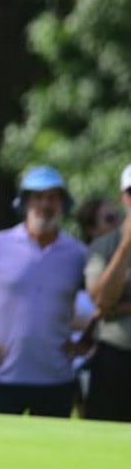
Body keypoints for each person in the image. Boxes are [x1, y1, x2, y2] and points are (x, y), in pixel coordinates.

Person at [0, 166, 89, 418]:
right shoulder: (0, 244)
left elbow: (102, 298)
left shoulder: (77, 254)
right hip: (4, 376)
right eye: (37, 197)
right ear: (24, 203)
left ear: (62, 204)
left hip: (56, 379)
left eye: (52, 197)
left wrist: (88, 340)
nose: (44, 205)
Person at [84, 165, 131, 421]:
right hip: (115, 360)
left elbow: (107, 307)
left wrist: (118, 309)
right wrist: (125, 246)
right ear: (123, 197)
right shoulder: (105, 246)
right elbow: (101, 300)